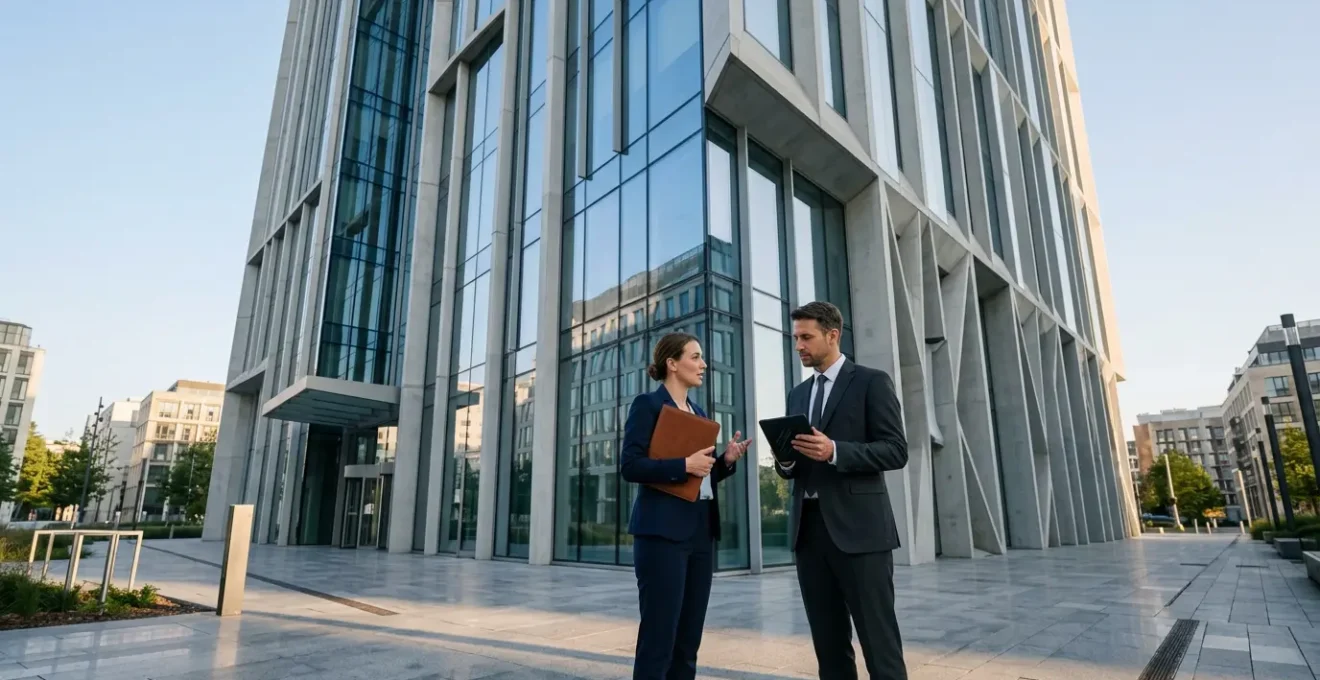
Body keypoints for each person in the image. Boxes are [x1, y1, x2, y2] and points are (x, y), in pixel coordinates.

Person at [776, 301, 909, 680]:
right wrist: (785, 462)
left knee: (879, 642)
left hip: (862, 534)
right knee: (828, 645)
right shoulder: (797, 395)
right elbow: (796, 463)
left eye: (806, 337)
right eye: (795, 337)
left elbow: (896, 450)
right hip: (810, 534)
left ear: (833, 335)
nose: (798, 345)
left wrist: (835, 450)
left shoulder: (871, 381)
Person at [621, 331, 751, 680]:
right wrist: (683, 465)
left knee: (688, 640)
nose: (703, 364)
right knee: (659, 637)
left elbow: (700, 476)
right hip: (660, 534)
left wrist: (724, 460)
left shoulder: (699, 412)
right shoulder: (647, 405)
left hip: (699, 533)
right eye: (695, 357)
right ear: (672, 363)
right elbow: (630, 465)